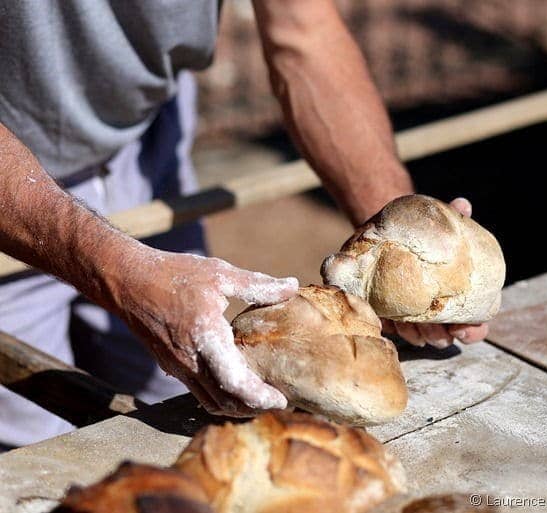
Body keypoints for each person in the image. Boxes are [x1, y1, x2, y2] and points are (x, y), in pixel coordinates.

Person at [0, 0, 488, 448]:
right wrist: (117, 271)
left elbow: (305, 34)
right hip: (12, 177)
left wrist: (399, 237)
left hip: (142, 133)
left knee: (178, 408)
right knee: (35, 443)